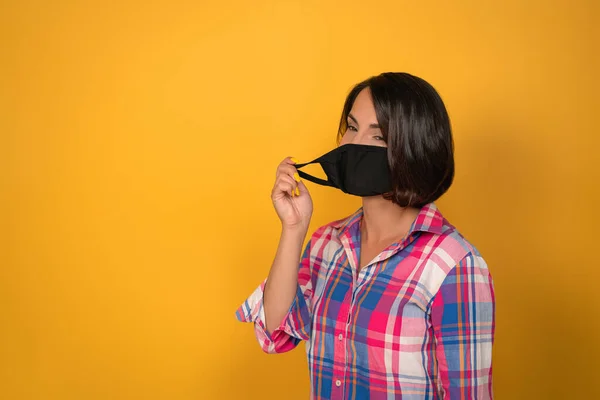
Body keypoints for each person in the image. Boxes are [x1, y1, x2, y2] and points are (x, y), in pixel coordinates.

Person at [236, 72, 495, 399]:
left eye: (378, 136)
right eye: (353, 128)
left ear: (414, 148)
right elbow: (277, 331)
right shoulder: (325, 244)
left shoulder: (454, 265)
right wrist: (293, 228)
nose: (355, 145)